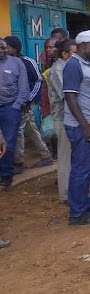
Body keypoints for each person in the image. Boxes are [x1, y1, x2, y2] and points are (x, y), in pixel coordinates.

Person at [63, 31, 90, 225]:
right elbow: (70, 98)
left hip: (89, 124)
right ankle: (78, 214)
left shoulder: (85, 64)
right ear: (82, 45)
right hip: (81, 126)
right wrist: (86, 127)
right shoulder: (73, 65)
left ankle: (85, 205)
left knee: (86, 169)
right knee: (80, 170)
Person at [3, 36, 54, 170]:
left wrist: (27, 100)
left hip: (26, 102)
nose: (5, 50)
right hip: (13, 103)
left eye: (7, 47)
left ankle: (18, 162)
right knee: (30, 128)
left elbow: (38, 81)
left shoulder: (27, 62)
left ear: (15, 48)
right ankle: (46, 155)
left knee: (18, 129)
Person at [47, 39, 75, 202]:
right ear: (65, 54)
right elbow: (67, 95)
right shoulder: (57, 70)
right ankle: (65, 194)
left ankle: (72, 191)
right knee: (65, 157)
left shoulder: (65, 67)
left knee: (72, 156)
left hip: (70, 117)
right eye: (73, 54)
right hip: (63, 117)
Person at [0, 39, 29, 188]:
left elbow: (23, 88)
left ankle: (6, 175)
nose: (1, 50)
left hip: (10, 108)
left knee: (8, 143)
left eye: (3, 47)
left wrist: (16, 107)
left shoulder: (17, 63)